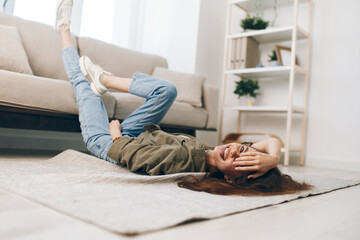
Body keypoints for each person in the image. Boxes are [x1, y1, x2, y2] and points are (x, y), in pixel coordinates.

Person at [55, 0, 312, 196]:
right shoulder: (214, 152)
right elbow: (269, 142)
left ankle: (63, 31)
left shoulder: (185, 161)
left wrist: (116, 133)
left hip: (108, 143)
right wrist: (273, 159)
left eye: (237, 159)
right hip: (136, 135)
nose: (234, 150)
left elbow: (132, 157)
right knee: (167, 91)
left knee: (83, 87)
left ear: (231, 179)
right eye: (243, 149)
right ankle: (105, 80)